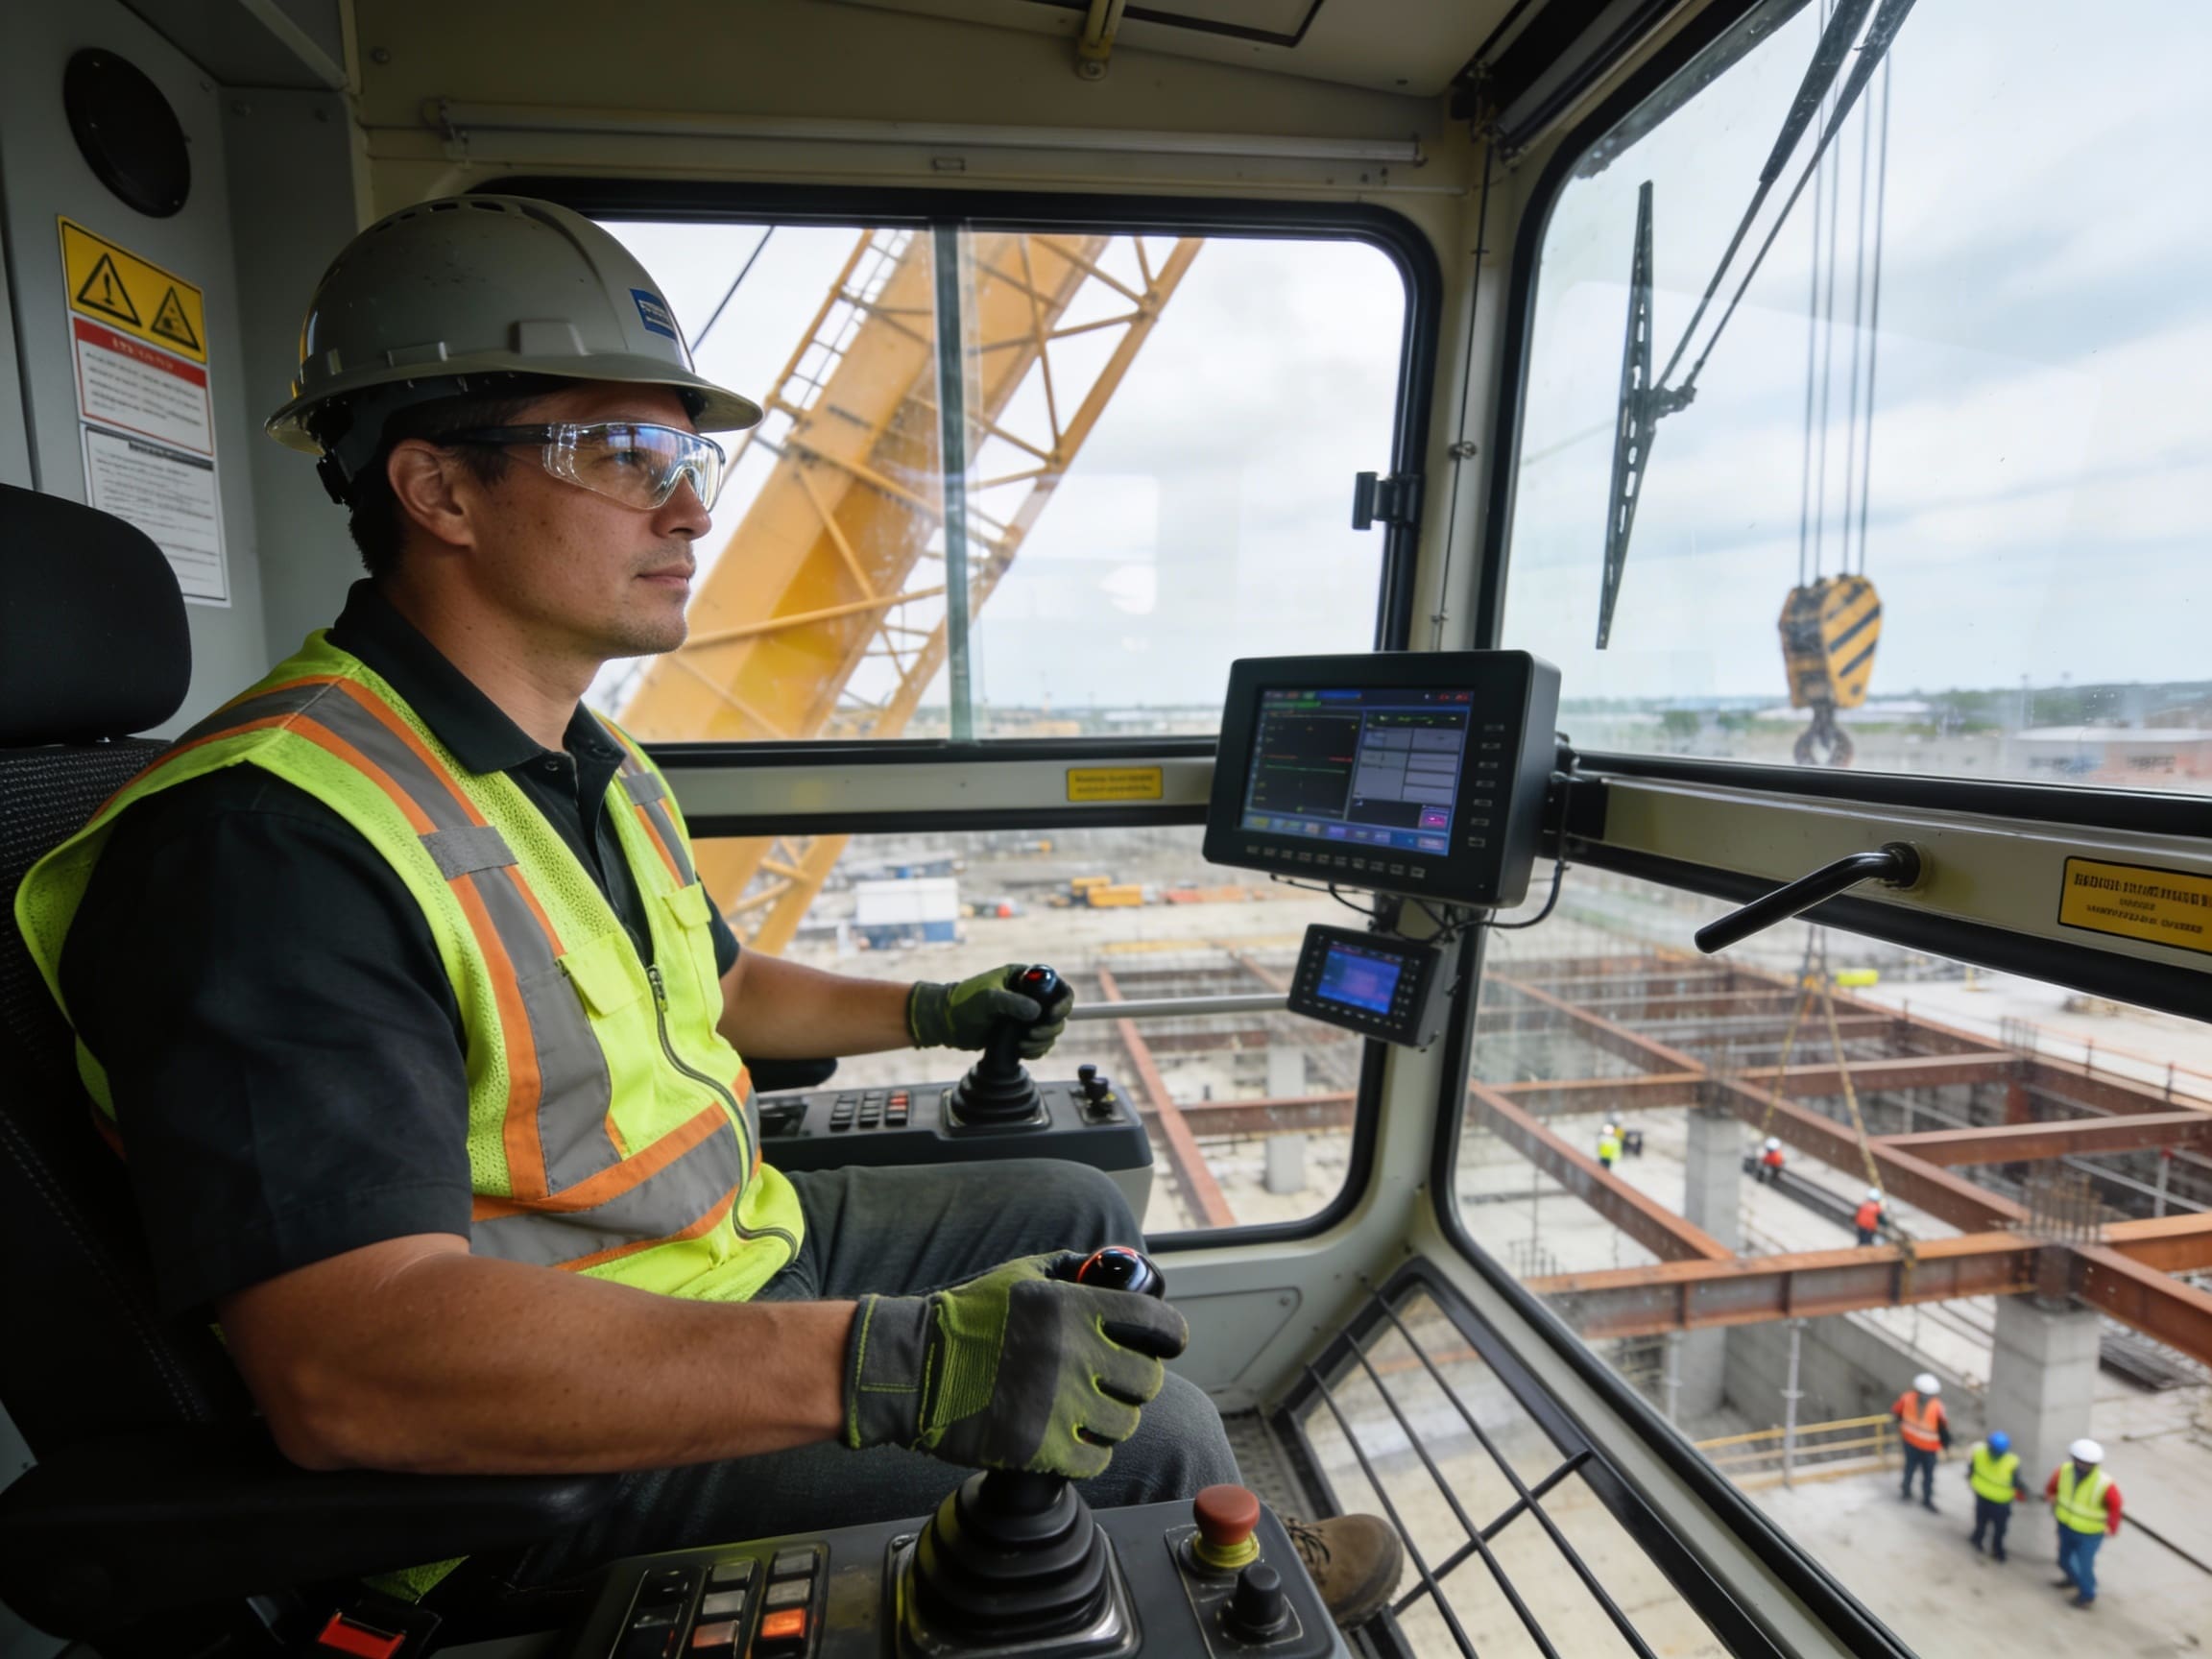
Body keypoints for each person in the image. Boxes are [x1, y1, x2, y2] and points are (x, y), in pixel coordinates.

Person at [13, 197, 1400, 1627]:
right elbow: (352, 1366)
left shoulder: (573, 760)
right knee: (1160, 1438)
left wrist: (931, 1010)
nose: (692, 506)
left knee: (1076, 1197)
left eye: (689, 455)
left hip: (721, 1252)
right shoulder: (267, 849)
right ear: (438, 492)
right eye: (624, 453)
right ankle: (1218, 1563)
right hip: (525, 1452)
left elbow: (718, 990)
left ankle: (1189, 1550)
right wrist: (881, 1365)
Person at [2046, 1439, 2122, 1610]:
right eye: (2079, 1461)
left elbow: (2115, 1506)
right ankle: (2072, 1580)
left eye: (2087, 1464)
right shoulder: (2064, 1471)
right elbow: (2052, 1487)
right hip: (2066, 1526)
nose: (2082, 1466)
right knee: (2064, 1559)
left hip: (2090, 1533)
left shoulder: (2104, 1483)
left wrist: (2112, 1526)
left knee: (2083, 1565)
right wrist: (2050, 1495)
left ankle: (2087, 1595)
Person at [1965, 1430, 2027, 1561]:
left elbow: (1971, 1470)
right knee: (1999, 1528)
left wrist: (1971, 1481)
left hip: (1984, 1496)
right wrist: (2022, 1491)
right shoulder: (2012, 1462)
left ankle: (1977, 1539)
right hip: (2000, 1501)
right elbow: (2016, 1482)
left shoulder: (1980, 1454)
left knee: (1981, 1521)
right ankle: (1997, 1550)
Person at [1892, 1372, 1950, 1508]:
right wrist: (1946, 1444)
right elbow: (1943, 1428)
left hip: (1918, 1445)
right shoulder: (1934, 1406)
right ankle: (1918, 1496)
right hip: (1920, 1446)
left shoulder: (1910, 1399)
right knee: (1919, 1472)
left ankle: (1916, 1495)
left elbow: (1897, 1413)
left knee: (1917, 1471)